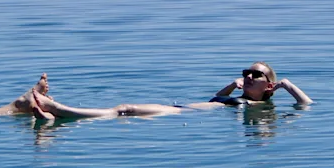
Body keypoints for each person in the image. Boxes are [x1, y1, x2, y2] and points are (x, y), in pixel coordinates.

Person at [30, 62, 312, 122]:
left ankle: (58, 109)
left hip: (177, 114)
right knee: (123, 109)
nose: (248, 77)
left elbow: (306, 105)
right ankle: (52, 114)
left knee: (124, 109)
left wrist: (287, 84)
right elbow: (216, 98)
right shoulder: (239, 100)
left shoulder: (257, 109)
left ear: (269, 85)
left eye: (255, 75)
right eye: (245, 73)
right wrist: (231, 85)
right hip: (180, 108)